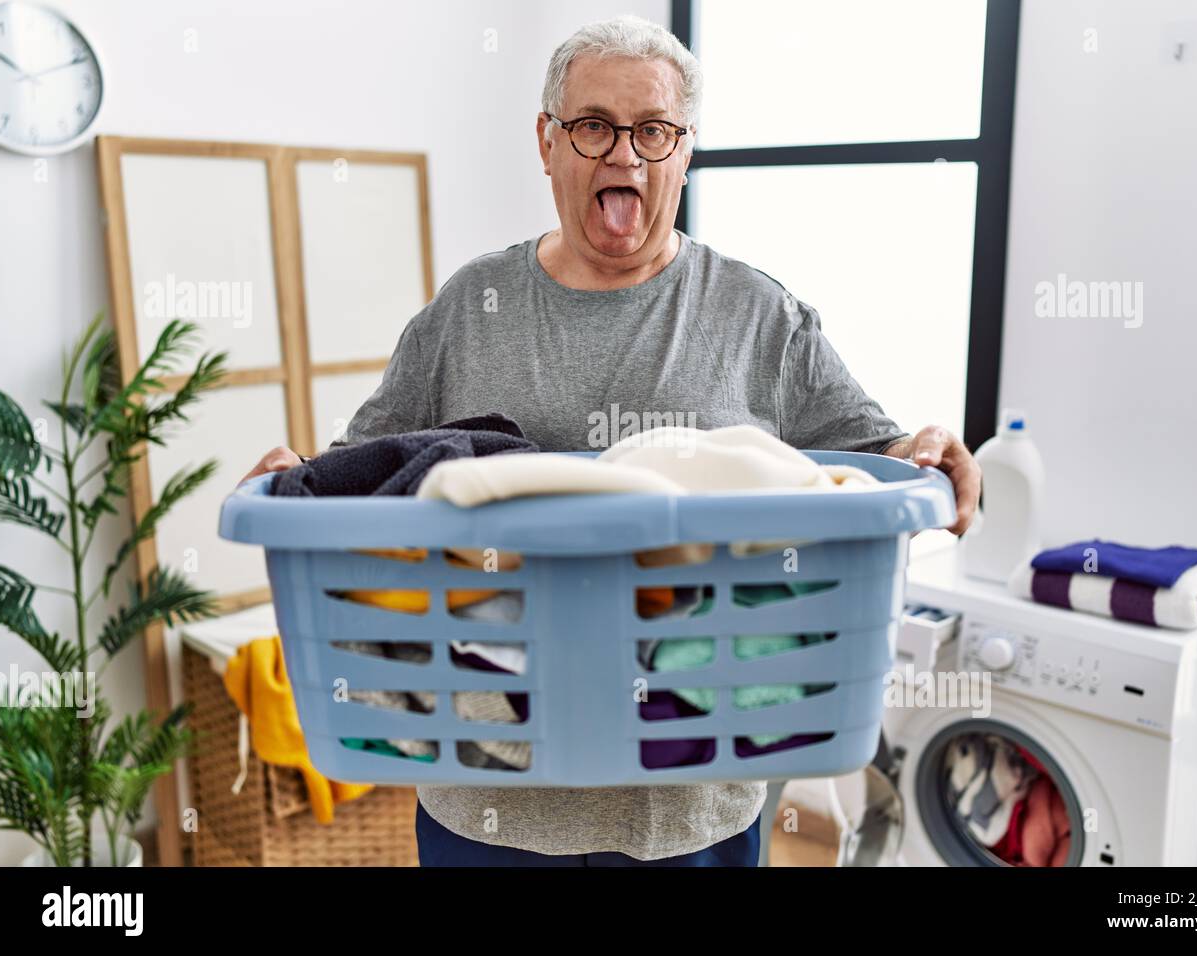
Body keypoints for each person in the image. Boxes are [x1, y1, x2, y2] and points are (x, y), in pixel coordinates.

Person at [240, 15, 981, 867]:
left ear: (684, 150)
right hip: (487, 805)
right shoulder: (466, 310)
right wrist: (295, 475)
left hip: (693, 806)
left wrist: (928, 449)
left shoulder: (759, 316)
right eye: (593, 126)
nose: (623, 154)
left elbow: (869, 460)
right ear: (548, 142)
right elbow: (361, 477)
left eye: (653, 130)